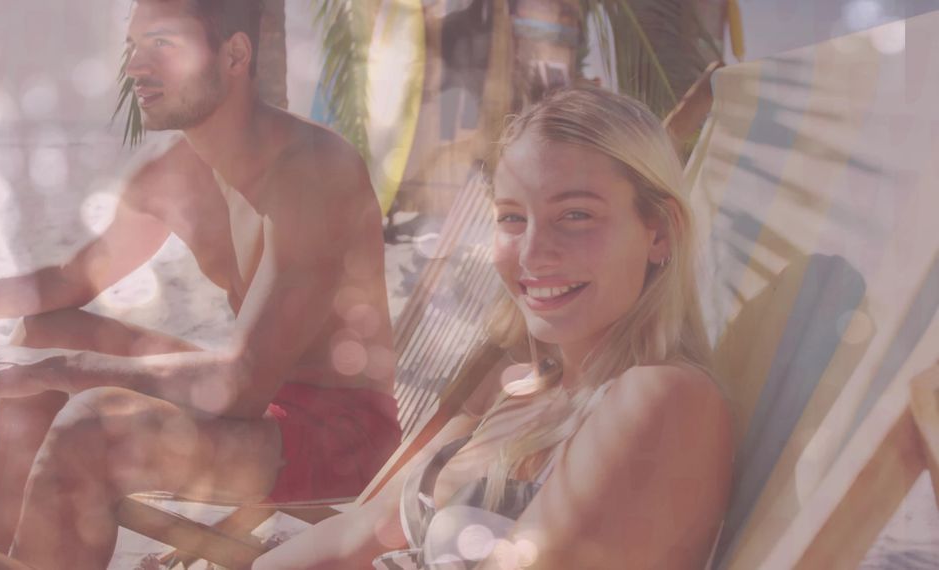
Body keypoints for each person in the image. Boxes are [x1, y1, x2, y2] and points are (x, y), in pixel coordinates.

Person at [0, 0, 399, 568]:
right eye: (133, 47)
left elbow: (241, 383)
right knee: (45, 332)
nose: (135, 68)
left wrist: (61, 371)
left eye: (162, 45)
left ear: (234, 55)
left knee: (90, 422)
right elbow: (66, 281)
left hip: (335, 435)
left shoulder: (310, 171)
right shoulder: (178, 173)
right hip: (264, 403)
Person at [251, 85, 734, 568]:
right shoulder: (521, 396)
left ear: (660, 232)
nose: (532, 253)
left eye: (576, 214)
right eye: (512, 217)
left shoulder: (663, 397)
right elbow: (369, 527)